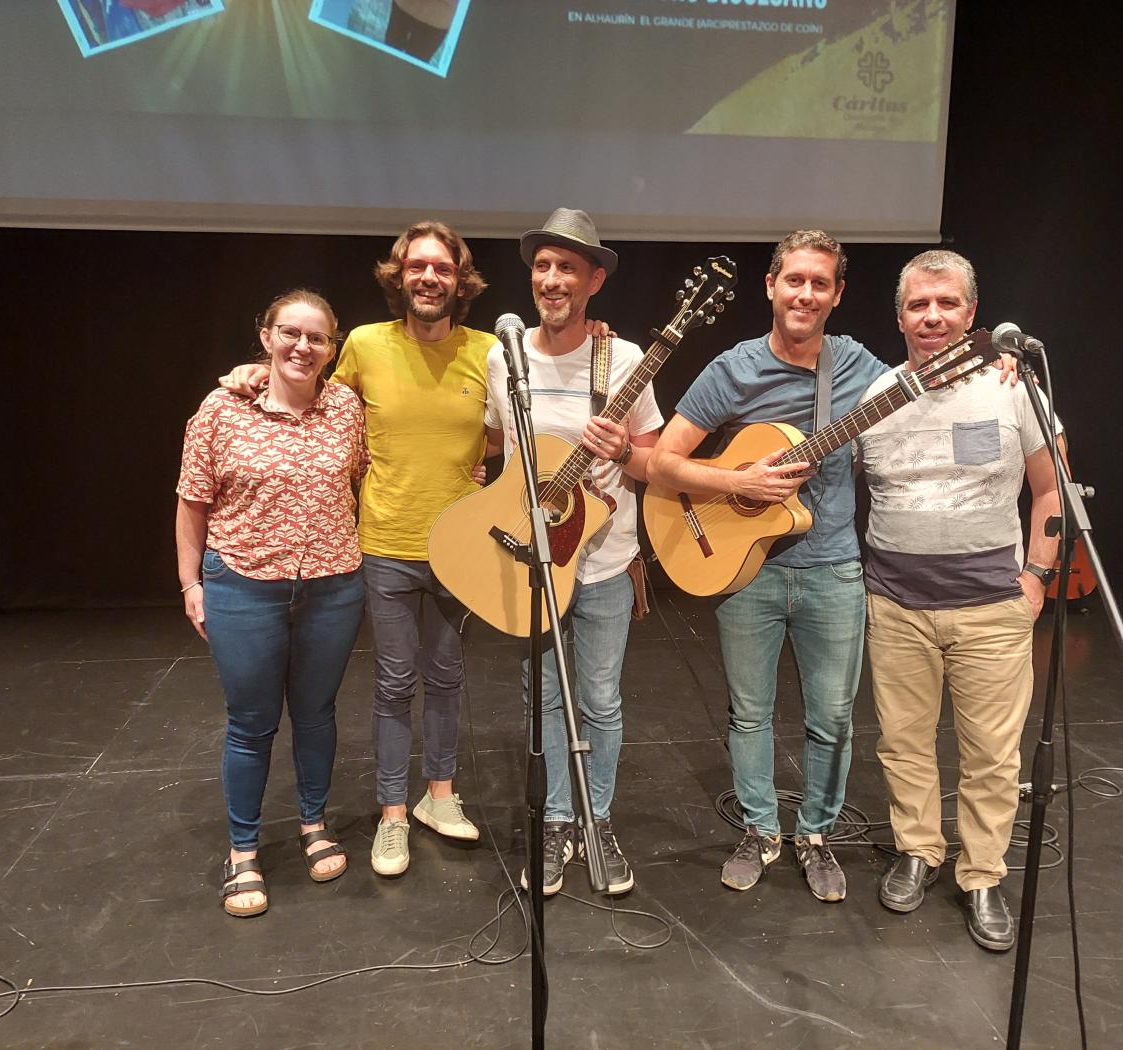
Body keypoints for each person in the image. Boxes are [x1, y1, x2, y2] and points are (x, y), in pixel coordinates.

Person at [220, 222, 493, 879]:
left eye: (442, 268)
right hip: (386, 545)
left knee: (449, 677)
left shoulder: (489, 350)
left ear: (461, 280)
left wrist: (597, 332)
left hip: (461, 547)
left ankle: (441, 797)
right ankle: (393, 814)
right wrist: (256, 371)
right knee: (396, 682)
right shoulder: (367, 344)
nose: (429, 277)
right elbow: (308, 388)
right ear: (398, 276)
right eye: (416, 266)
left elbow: (522, 412)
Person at [648, 230, 889, 902]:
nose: (805, 294)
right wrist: (738, 485)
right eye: (794, 280)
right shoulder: (734, 367)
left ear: (837, 295)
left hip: (833, 567)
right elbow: (664, 460)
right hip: (747, 569)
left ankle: (814, 836)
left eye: (820, 283)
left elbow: (918, 394)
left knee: (833, 716)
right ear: (770, 286)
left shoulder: (859, 366)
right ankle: (760, 829)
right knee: (750, 715)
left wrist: (987, 368)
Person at [857, 249, 1062, 951]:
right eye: (919, 305)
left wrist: (1038, 574)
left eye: (947, 304)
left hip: (991, 608)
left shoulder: (1013, 388)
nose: (933, 317)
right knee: (903, 744)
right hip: (895, 604)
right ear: (900, 316)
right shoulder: (874, 397)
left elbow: (1052, 489)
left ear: (971, 314)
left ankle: (981, 875)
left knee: (992, 755)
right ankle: (918, 850)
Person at [482, 208, 663, 896]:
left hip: (608, 561)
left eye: (567, 268)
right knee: (546, 698)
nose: (552, 280)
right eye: (542, 266)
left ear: (594, 281)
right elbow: (496, 445)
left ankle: (600, 816)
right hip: (534, 562)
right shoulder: (504, 356)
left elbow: (653, 461)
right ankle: (559, 818)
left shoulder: (622, 360)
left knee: (602, 699)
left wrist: (625, 452)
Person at [176, 289, 367, 917]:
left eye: (317, 338)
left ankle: (313, 824)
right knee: (251, 722)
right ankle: (243, 851)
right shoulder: (221, 409)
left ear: (332, 348)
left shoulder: (345, 407)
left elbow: (365, 476)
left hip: (333, 585)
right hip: (243, 585)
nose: (302, 347)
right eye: (291, 333)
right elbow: (191, 502)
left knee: (315, 713)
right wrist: (191, 585)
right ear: (266, 336)